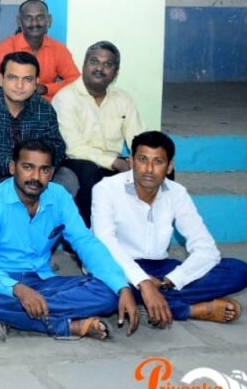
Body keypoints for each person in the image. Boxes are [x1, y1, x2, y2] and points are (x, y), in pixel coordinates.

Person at [0, 139, 140, 340]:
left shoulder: (59, 197)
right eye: (28, 167)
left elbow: (85, 242)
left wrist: (121, 286)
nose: (36, 177)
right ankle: (66, 326)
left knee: (109, 292)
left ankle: (11, 315)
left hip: (42, 280)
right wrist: (17, 289)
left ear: (52, 173)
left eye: (44, 170)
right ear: (12, 168)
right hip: (0, 278)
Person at [92, 131, 247, 326]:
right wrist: (143, 281)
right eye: (142, 159)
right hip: (117, 266)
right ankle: (188, 309)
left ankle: (149, 300)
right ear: (131, 161)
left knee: (237, 270)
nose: (149, 169)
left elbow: (207, 249)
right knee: (106, 292)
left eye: (158, 162)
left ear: (169, 166)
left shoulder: (177, 193)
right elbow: (105, 244)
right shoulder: (106, 189)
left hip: (160, 268)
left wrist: (168, 282)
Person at [0, 52, 77, 204]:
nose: (19, 85)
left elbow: (57, 147)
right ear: (1, 79)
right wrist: (12, 166)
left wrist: (36, 168)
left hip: (35, 174)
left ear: (36, 82)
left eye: (27, 79)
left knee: (67, 177)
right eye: (13, 78)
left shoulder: (44, 108)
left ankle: (40, 218)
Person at [53, 41, 144, 225]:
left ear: (115, 72)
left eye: (107, 65)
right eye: (94, 62)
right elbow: (74, 148)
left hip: (113, 163)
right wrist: (114, 163)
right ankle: (89, 235)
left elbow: (138, 138)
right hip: (77, 161)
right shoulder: (66, 98)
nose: (99, 69)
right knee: (89, 171)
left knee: (156, 166)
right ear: (84, 65)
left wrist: (142, 158)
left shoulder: (123, 99)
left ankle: (147, 233)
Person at [0, 0, 79, 103]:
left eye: (40, 17)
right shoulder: (6, 47)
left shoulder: (58, 49)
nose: (34, 23)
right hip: (15, 104)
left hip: (47, 106)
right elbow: (4, 81)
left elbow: (76, 81)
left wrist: (46, 89)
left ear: (49, 20)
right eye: (28, 18)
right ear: (19, 21)